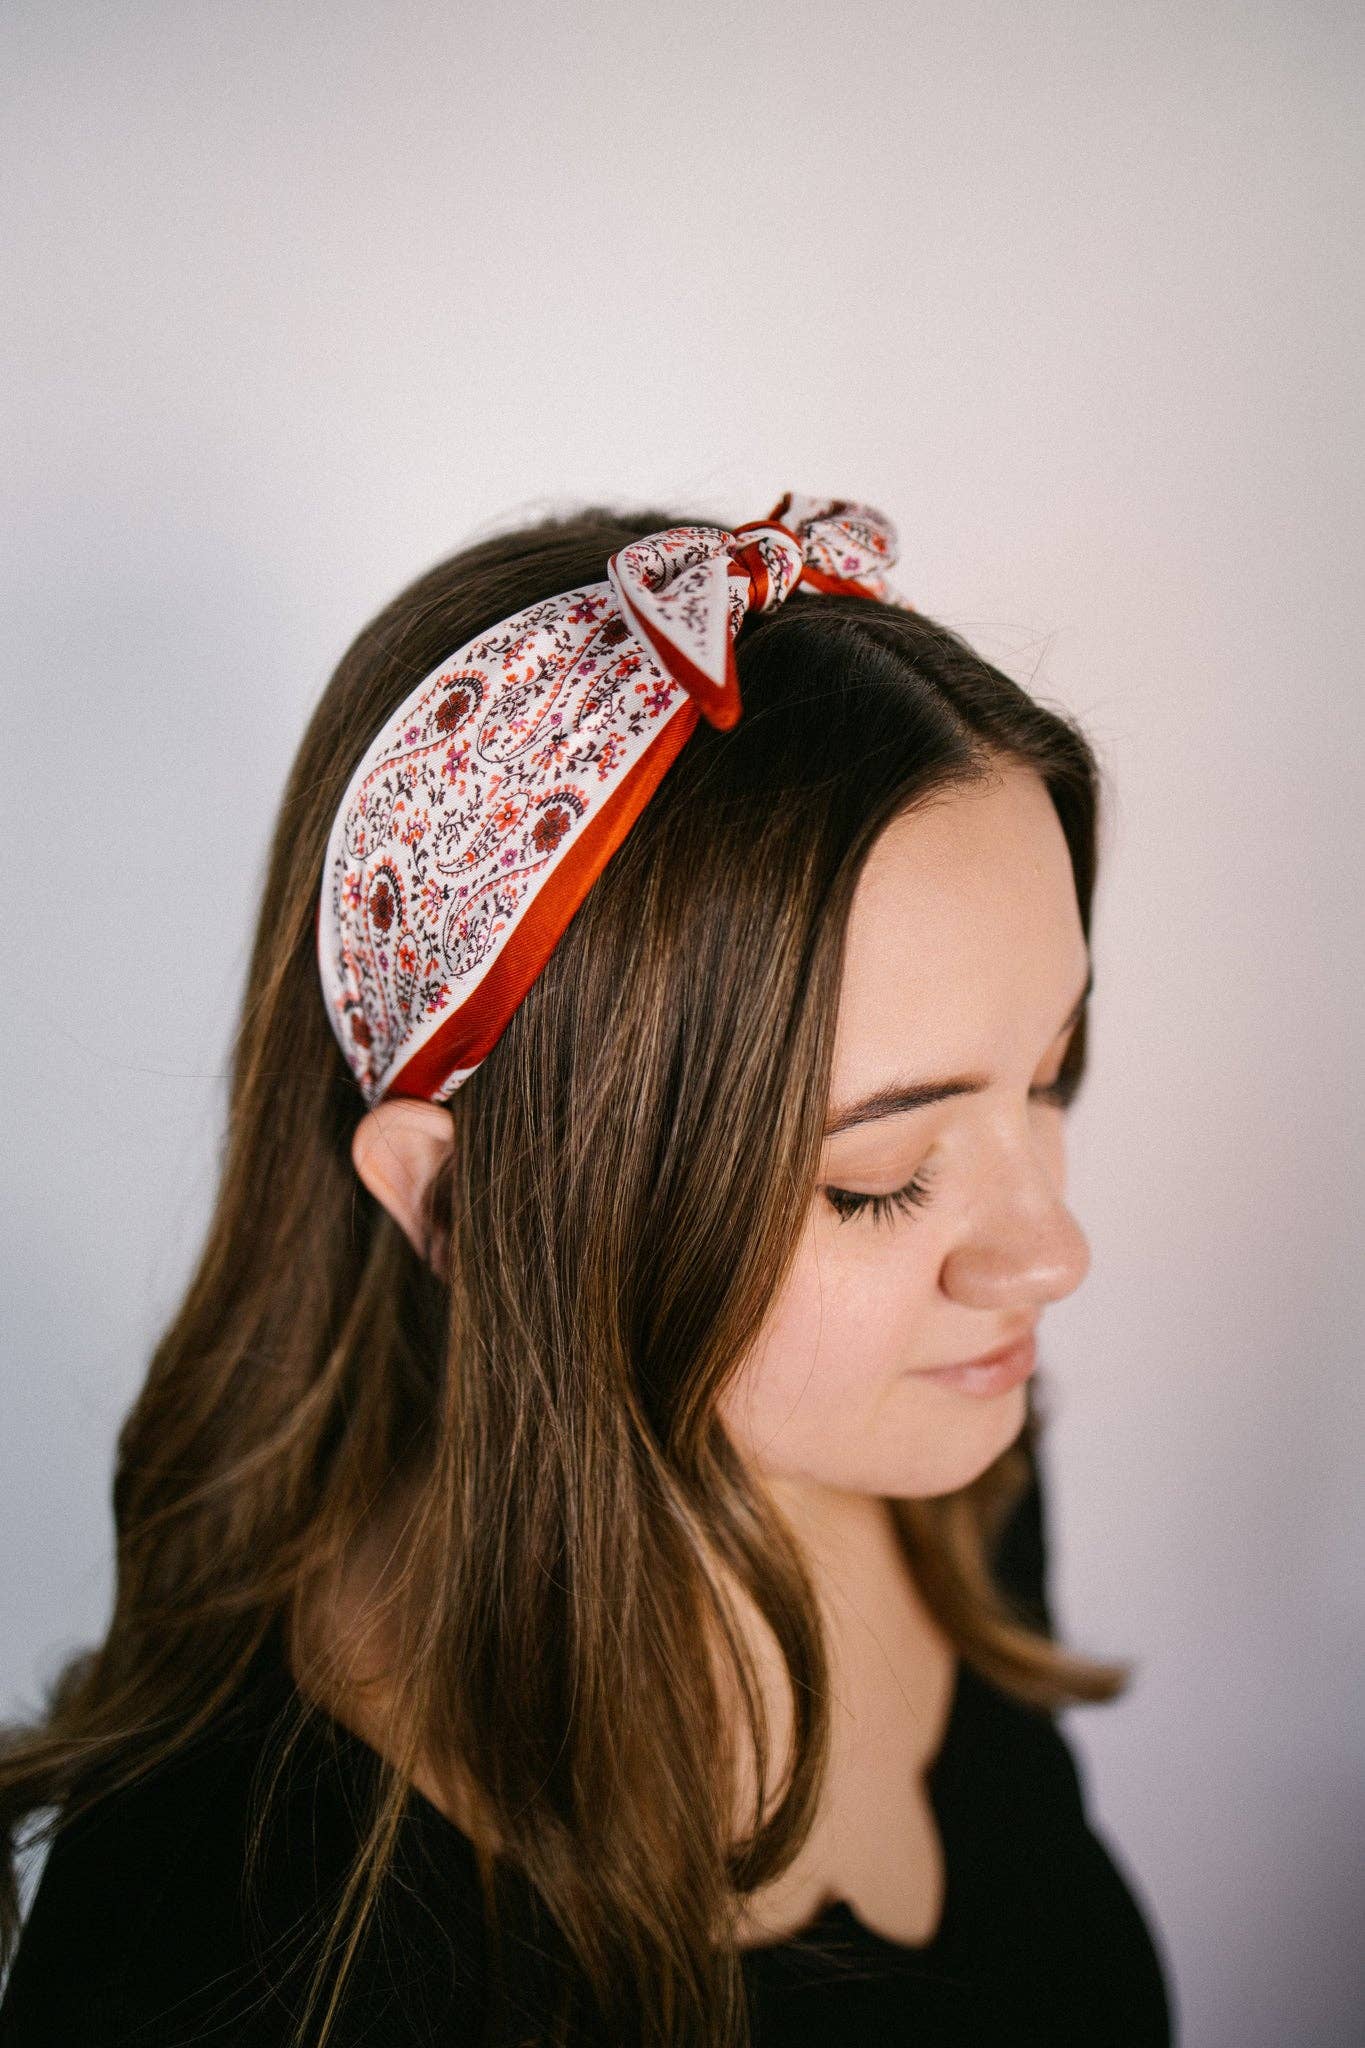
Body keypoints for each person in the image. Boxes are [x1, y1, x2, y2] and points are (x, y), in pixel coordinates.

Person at [0, 495, 1175, 2046]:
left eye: (1048, 1071)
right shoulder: (222, 1948)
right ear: (457, 1202)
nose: (1050, 1256)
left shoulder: (954, 1458)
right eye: (876, 1181)